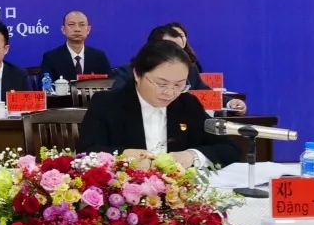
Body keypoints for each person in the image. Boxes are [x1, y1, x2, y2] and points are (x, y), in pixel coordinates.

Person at [78, 40, 240, 169]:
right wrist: (123, 155)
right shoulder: (107, 104)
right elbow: (86, 152)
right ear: (137, 74)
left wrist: (191, 156)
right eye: (161, 84)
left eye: (179, 85)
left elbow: (230, 148)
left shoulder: (187, 104)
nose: (170, 93)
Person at [111, 25, 246, 115]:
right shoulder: (127, 71)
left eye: (181, 49)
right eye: (171, 48)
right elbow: (119, 101)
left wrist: (230, 102)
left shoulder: (190, 70)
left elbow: (205, 93)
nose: (177, 54)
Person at [39, 11, 112, 81]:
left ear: (88, 30)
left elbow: (110, 84)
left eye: (82, 25)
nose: (77, 29)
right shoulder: (51, 58)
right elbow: (46, 86)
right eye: (71, 24)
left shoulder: (99, 56)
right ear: (63, 29)